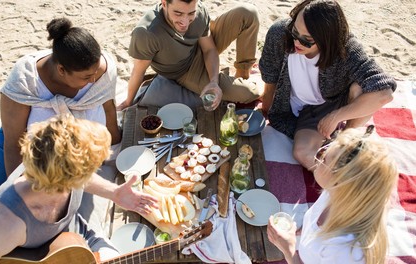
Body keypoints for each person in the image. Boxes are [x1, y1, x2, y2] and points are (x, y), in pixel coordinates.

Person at [0, 17, 121, 213]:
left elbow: (109, 109)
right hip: (23, 140)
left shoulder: (103, 71)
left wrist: (117, 147)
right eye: (86, 78)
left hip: (67, 145)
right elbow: (13, 144)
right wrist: (19, 196)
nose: (93, 80)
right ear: (61, 70)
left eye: (95, 73)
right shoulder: (25, 80)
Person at [0, 114, 158, 263]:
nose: (96, 169)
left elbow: (79, 177)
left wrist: (114, 193)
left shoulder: (59, 175)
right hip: (33, 251)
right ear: (68, 179)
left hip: (74, 236)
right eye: (92, 168)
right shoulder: (4, 222)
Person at [258, 0, 397, 171]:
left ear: (327, 39)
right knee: (304, 153)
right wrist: (267, 106)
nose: (297, 42)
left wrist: (337, 116)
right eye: (295, 32)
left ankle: (346, 141)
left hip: (331, 102)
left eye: (307, 40)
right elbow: (269, 74)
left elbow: (385, 93)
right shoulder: (280, 32)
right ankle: (341, 173)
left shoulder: (346, 48)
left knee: (359, 89)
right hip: (297, 106)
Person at [267, 125, 398, 263]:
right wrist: (306, 230)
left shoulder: (345, 251)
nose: (319, 154)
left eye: (323, 159)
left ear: (341, 183)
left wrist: (289, 251)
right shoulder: (336, 193)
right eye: (325, 147)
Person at [117, 0, 261, 111]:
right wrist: (128, 101)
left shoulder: (198, 11)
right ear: (164, 4)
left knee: (248, 13)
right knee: (249, 93)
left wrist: (213, 82)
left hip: (201, 46)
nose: (185, 22)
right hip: (185, 71)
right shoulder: (146, 33)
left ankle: (243, 72)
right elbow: (138, 71)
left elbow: (209, 49)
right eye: (178, 13)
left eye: (191, 13)